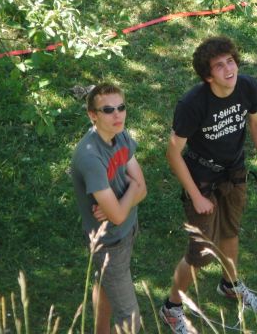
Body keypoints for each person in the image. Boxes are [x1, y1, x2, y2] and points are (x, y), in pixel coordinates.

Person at [159, 36, 257, 333]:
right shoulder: (193, 104)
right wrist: (196, 196)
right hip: (202, 179)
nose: (228, 69)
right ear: (208, 76)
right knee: (201, 251)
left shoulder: (247, 87)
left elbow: (256, 123)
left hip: (234, 173)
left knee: (230, 231)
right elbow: (173, 152)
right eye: (219, 66)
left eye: (230, 61)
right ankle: (171, 307)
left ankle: (230, 285)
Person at [70, 83, 147, 333]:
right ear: (92, 115)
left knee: (104, 285)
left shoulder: (119, 134)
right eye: (108, 110)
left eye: (121, 107)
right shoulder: (90, 157)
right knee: (130, 321)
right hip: (109, 243)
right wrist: (130, 190)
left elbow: (143, 189)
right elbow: (118, 213)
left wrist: (121, 203)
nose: (117, 115)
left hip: (127, 230)